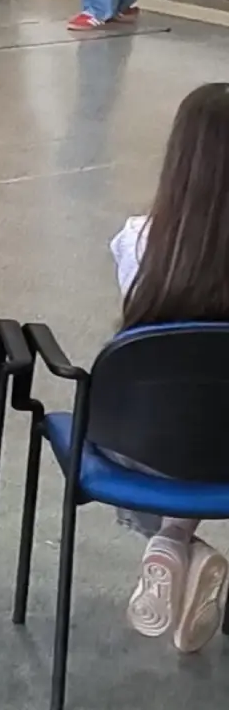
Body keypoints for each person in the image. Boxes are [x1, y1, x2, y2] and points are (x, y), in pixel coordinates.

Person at [108, 83, 229, 654]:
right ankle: (180, 542)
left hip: (147, 445)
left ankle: (173, 538)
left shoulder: (137, 241)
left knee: (176, 408)